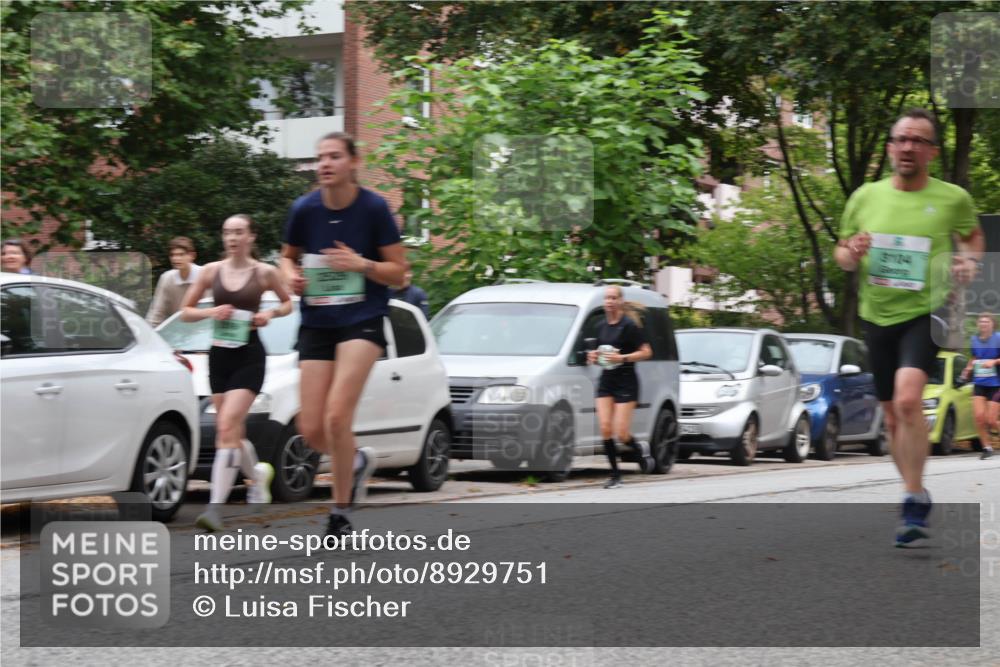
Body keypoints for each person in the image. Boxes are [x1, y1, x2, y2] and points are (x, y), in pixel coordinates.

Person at [834, 108, 984, 547]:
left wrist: (968, 262)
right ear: (889, 147)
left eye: (919, 141)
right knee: (893, 418)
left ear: (931, 152)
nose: (909, 147)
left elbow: (973, 237)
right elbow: (842, 257)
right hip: (876, 313)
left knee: (907, 399)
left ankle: (910, 500)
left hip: (929, 309)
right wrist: (853, 253)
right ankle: (916, 491)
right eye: (902, 139)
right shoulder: (865, 197)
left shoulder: (952, 198)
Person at [279, 132, 408, 538]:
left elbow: (399, 273)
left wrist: (360, 264)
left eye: (334, 156)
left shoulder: (373, 208)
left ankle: (339, 513)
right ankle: (354, 460)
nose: (324, 164)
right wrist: (291, 278)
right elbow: (286, 257)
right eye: (320, 157)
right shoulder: (304, 209)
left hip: (362, 320)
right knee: (312, 429)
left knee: (338, 415)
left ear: (354, 162)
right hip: (317, 320)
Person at [180, 215, 293, 532]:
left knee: (227, 425)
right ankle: (257, 476)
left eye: (239, 232)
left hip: (250, 357)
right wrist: (210, 311)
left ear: (251, 237)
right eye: (227, 232)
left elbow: (288, 305)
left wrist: (269, 313)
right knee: (230, 432)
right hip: (219, 356)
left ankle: (214, 509)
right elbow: (186, 312)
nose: (232, 238)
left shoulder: (264, 272)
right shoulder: (211, 271)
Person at [586, 286, 653, 489]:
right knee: (606, 428)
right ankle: (615, 476)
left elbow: (647, 352)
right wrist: (593, 357)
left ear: (620, 301)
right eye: (607, 298)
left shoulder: (629, 326)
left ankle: (638, 450)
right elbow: (601, 356)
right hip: (607, 380)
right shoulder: (600, 326)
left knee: (621, 433)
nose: (609, 301)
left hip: (626, 380)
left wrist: (622, 357)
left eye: (613, 298)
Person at [959, 312, 999, 460]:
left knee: (991, 420)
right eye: (981, 322)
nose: (983, 324)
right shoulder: (974, 340)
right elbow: (975, 357)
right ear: (978, 325)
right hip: (980, 383)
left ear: (992, 324)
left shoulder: (998, 338)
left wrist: (994, 362)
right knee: (979, 418)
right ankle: (987, 447)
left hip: (996, 384)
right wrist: (968, 368)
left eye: (986, 322)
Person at [147, 237, 201, 327]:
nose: (176, 259)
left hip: (201, 330)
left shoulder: (203, 275)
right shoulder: (166, 278)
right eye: (172, 255)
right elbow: (156, 313)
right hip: (176, 331)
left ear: (192, 256)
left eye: (181, 254)